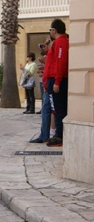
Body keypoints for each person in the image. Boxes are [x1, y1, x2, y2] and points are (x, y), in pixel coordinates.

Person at [43, 19, 69, 147]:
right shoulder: (58, 43)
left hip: (56, 79)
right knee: (57, 108)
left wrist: (57, 81)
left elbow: (60, 62)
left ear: (54, 30)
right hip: (53, 79)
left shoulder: (61, 42)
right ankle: (59, 134)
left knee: (57, 109)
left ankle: (59, 135)